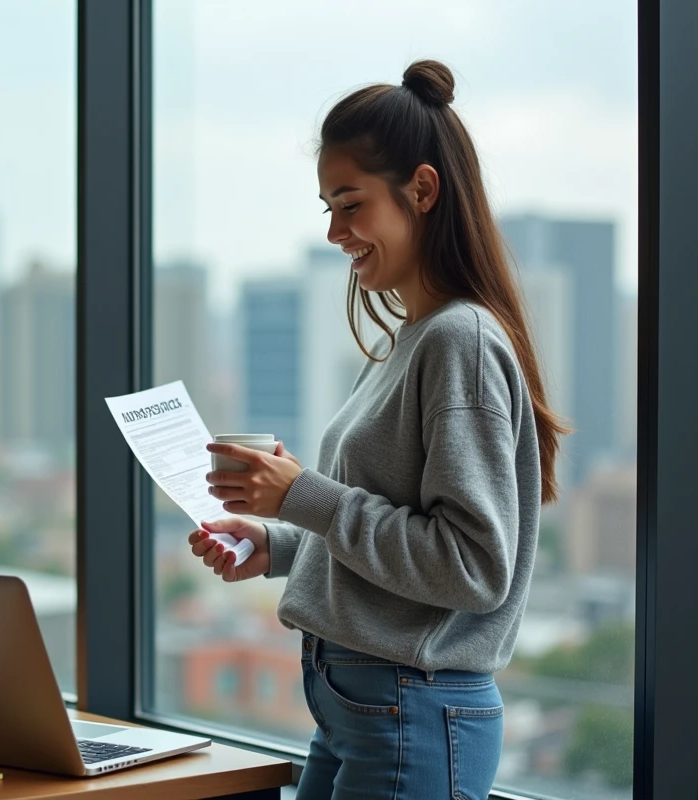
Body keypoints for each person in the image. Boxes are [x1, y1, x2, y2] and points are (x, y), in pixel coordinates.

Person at [187, 59, 566, 800]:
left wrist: (305, 498)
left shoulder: (460, 342)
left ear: (421, 190)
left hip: (410, 706)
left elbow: (471, 566)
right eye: (327, 206)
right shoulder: (410, 342)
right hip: (364, 706)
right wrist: (278, 543)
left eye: (350, 204)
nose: (334, 232)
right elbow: (393, 524)